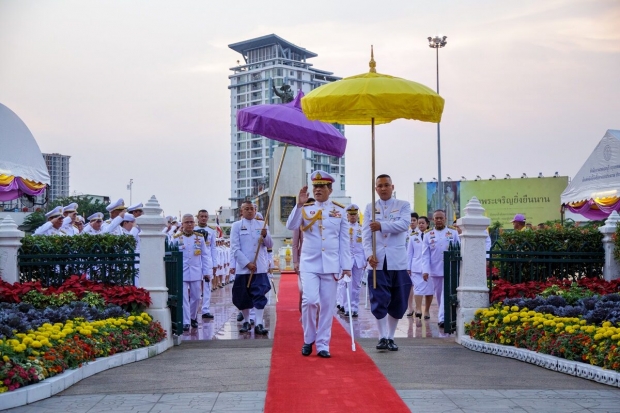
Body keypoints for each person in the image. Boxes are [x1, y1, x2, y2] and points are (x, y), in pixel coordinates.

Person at [286, 170, 351, 358]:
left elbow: (343, 241)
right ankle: (308, 338)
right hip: (309, 263)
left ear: (330, 189)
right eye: (315, 186)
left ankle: (323, 344)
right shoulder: (305, 208)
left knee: (327, 306)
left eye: (322, 186)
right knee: (310, 300)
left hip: (331, 264)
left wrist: (346, 266)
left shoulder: (340, 211)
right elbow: (291, 226)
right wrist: (298, 204)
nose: (318, 190)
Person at [363, 174, 412, 352]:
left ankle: (391, 336)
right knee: (379, 298)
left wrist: (382, 225)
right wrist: (369, 254)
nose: (383, 188)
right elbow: (366, 235)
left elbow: (404, 224)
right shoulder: (370, 207)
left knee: (398, 300)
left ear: (392, 187)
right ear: (375, 189)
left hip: (397, 261)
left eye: (386, 185)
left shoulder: (403, 205)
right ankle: (382, 336)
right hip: (377, 261)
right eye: (379, 186)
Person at [231, 200, 272, 336]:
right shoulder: (236, 226)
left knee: (259, 295)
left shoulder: (262, 224)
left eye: (252, 209)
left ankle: (259, 323)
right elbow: (235, 249)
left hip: (259, 267)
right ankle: (247, 321)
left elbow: (269, 244)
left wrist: (265, 235)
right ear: (241, 211)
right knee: (243, 296)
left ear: (255, 211)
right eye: (246, 209)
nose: (250, 211)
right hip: (244, 269)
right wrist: (247, 263)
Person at [171, 213, 212, 331]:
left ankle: (193, 317)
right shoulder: (176, 238)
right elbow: (173, 256)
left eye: (191, 222)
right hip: (182, 272)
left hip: (196, 272)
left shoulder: (199, 237)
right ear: (182, 224)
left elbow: (205, 256)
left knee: (196, 297)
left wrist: (206, 272)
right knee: (184, 297)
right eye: (187, 222)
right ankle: (185, 321)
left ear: (194, 224)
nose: (189, 224)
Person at [421, 210, 460, 329]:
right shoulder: (428, 234)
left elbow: (458, 248)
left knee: (445, 293)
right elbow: (425, 254)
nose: (438, 220)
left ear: (445, 219)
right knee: (438, 295)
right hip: (435, 269)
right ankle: (443, 314)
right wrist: (425, 270)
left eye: (441, 218)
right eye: (436, 218)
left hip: (449, 268)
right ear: (433, 219)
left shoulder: (452, 232)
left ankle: (443, 318)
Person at [407, 215, 434, 320]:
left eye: (423, 223)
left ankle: (426, 310)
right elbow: (409, 253)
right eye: (420, 223)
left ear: (427, 224)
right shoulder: (413, 236)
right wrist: (408, 267)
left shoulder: (432, 235)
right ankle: (418, 309)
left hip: (429, 267)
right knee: (417, 288)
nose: (421, 225)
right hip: (416, 267)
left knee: (429, 290)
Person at [194, 209, 218, 320]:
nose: (203, 218)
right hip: (195, 260)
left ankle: (205, 310)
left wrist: (214, 263)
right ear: (198, 217)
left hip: (207, 260)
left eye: (205, 216)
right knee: (195, 286)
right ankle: (193, 310)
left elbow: (213, 248)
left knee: (207, 286)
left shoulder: (211, 231)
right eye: (201, 216)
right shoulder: (193, 229)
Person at [343, 204, 366, 317]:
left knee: (357, 285)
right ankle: (347, 307)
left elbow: (365, 245)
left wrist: (366, 260)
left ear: (357, 215)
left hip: (358, 259)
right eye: (350, 215)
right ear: (347, 216)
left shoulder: (362, 229)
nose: (353, 217)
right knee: (346, 284)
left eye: (354, 215)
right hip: (347, 259)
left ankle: (354, 307)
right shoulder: (343, 229)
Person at [406, 212, 419, 317]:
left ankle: (418, 307)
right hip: (406, 263)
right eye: (410, 220)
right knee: (409, 286)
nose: (412, 222)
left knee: (418, 287)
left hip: (418, 264)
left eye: (414, 220)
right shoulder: (405, 233)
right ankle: (410, 308)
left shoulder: (421, 233)